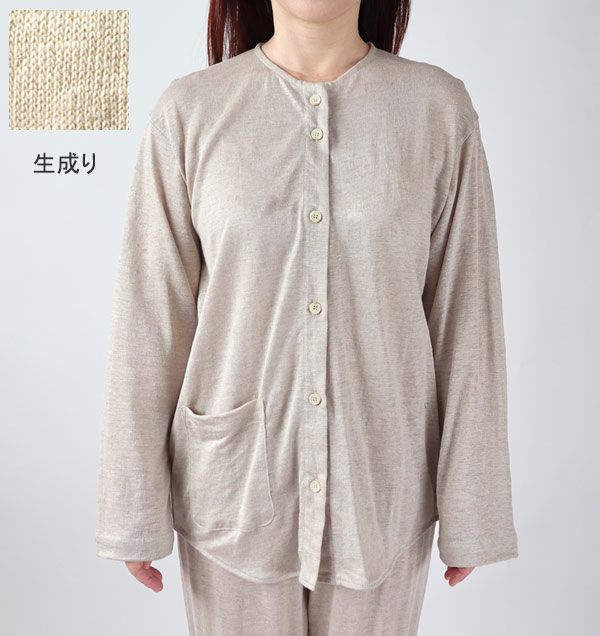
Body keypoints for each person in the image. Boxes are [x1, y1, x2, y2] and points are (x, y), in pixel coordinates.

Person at [95, 0, 519, 633]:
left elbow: (467, 317)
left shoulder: (436, 110)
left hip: (380, 491)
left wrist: (472, 508)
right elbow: (149, 320)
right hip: (232, 494)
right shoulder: (190, 112)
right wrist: (132, 509)